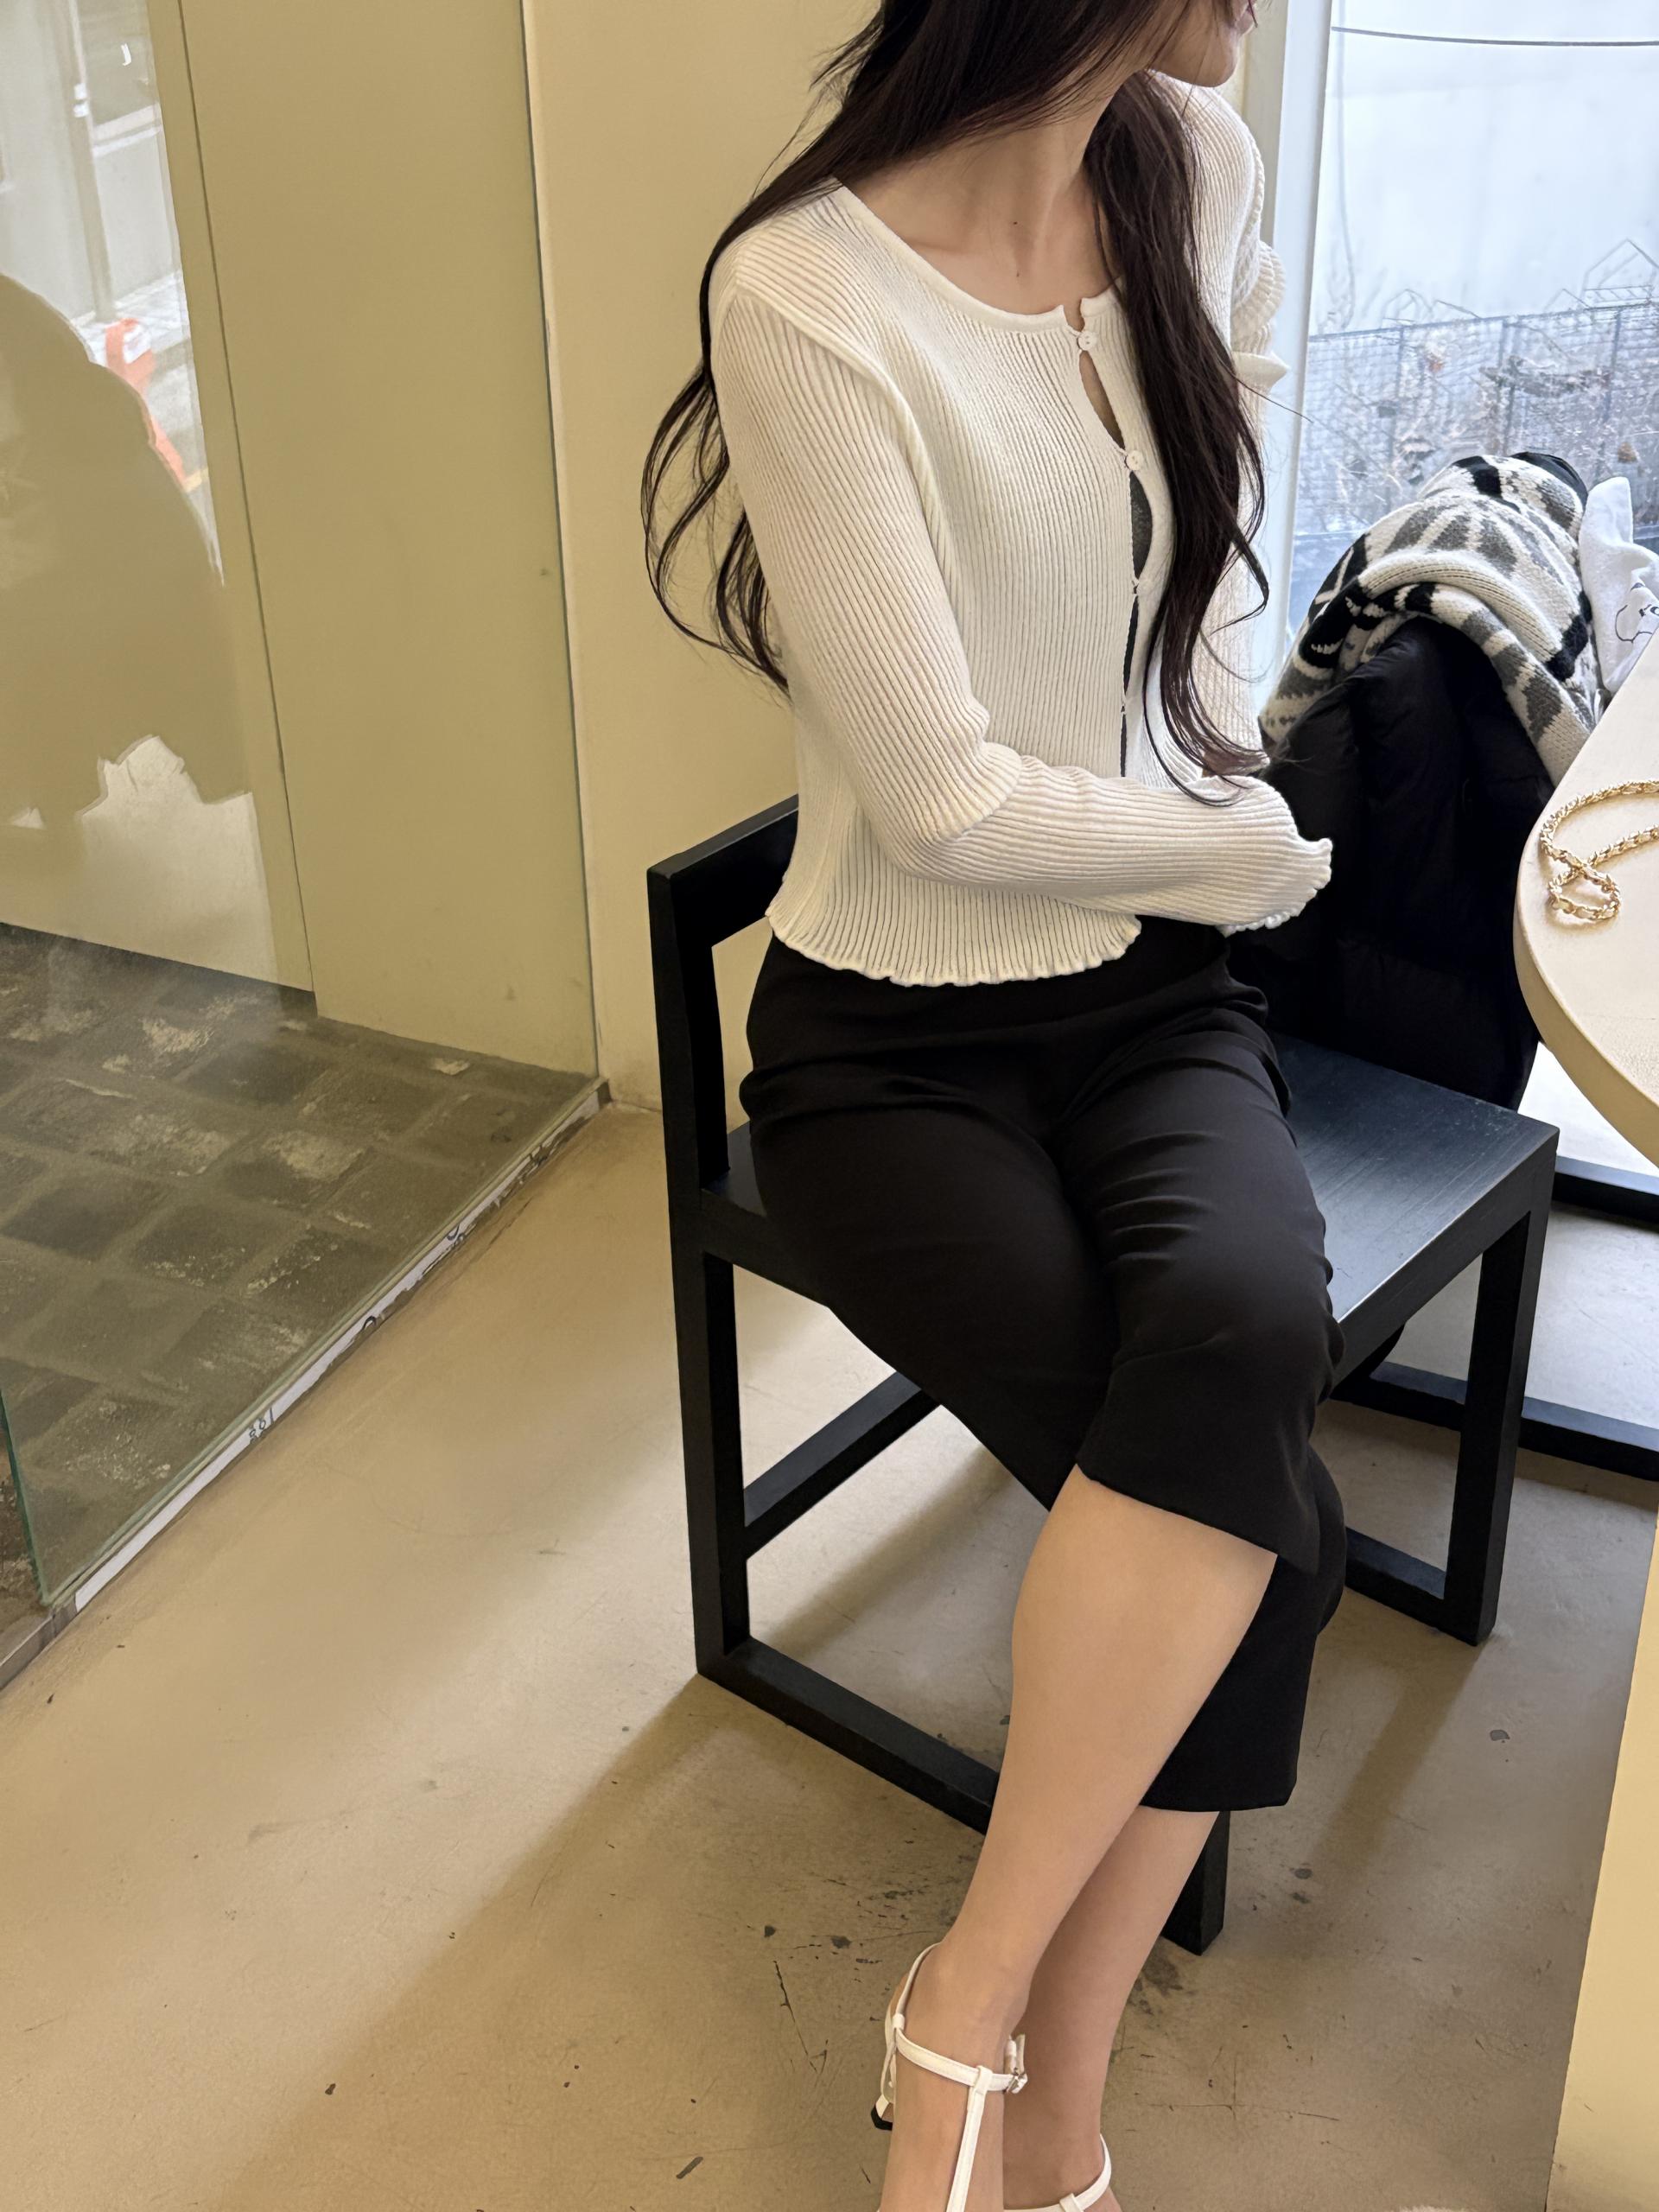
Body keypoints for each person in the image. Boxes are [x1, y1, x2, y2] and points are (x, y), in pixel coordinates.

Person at [641, 5, 1345, 2207]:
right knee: (1262, 1523)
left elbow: (1206, 595)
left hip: (1154, 1001)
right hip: (887, 1042)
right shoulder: (806, 295)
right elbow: (939, 799)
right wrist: (1243, 851)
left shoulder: (1194, 167)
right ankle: (1023, 2088)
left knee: (1240, 1362)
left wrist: (1215, 785)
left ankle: (989, 2023)